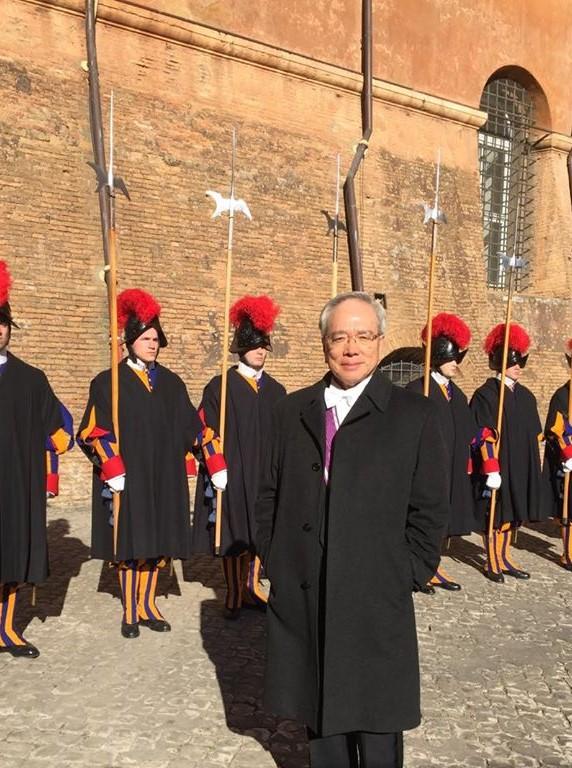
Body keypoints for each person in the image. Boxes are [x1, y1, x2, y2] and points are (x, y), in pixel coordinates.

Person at [256, 291, 449, 768]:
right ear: (324, 342)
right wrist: (278, 561)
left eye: (363, 335)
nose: (351, 347)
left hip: (375, 597)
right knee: (320, 722)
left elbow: (430, 510)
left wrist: (407, 571)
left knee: (379, 722)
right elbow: (266, 495)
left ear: (380, 342)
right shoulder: (290, 411)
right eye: (339, 336)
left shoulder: (413, 415)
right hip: (308, 594)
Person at [78, 288, 226, 638]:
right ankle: (130, 610)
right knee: (131, 544)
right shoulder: (107, 383)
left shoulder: (173, 384)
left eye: (156, 338)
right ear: (130, 341)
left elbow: (194, 427)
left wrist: (214, 458)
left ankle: (148, 604)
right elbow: (91, 429)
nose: (153, 344)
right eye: (146, 338)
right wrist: (110, 464)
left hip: (164, 476)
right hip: (129, 477)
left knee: (157, 543)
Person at [192, 295, 286, 618]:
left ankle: (251, 587)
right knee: (234, 534)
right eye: (255, 345)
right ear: (240, 347)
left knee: (258, 532)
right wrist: (216, 464)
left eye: (264, 345)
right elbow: (203, 428)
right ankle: (233, 592)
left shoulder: (277, 391)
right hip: (232, 473)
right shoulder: (220, 387)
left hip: (264, 474)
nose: (261, 350)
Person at [0, 261, 74, 658]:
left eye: (2, 322)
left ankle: (8, 629)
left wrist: (59, 443)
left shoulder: (32, 379)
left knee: (12, 558)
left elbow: (60, 427)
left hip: (16, 484)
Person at [470, 322, 549, 582]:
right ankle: (492, 558)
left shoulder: (526, 397)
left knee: (514, 514)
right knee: (496, 513)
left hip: (522, 466)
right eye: (513, 361)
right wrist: (491, 469)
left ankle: (505, 556)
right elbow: (482, 434)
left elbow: (535, 434)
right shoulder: (486, 395)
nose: (518, 367)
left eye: (520, 362)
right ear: (500, 362)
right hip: (498, 466)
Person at [407, 312, 476, 592]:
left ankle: (434, 563)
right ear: (436, 358)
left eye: (457, 359)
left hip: (451, 468)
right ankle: (423, 566)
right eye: (450, 359)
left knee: (443, 517)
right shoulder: (417, 390)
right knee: (424, 517)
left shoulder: (457, 396)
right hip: (426, 469)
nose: (454, 364)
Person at [544, 337, 572, 571]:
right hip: (569, 461)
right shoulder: (563, 396)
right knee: (569, 507)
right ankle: (568, 552)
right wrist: (569, 453)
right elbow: (556, 429)